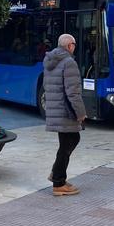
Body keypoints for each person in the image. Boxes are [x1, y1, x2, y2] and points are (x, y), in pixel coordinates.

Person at [42, 33, 86, 196]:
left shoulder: (49, 61)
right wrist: (80, 113)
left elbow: (48, 86)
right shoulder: (69, 62)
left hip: (55, 108)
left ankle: (56, 174)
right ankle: (58, 182)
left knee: (67, 141)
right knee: (71, 140)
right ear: (69, 46)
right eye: (74, 44)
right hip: (66, 110)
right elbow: (73, 92)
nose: (75, 47)